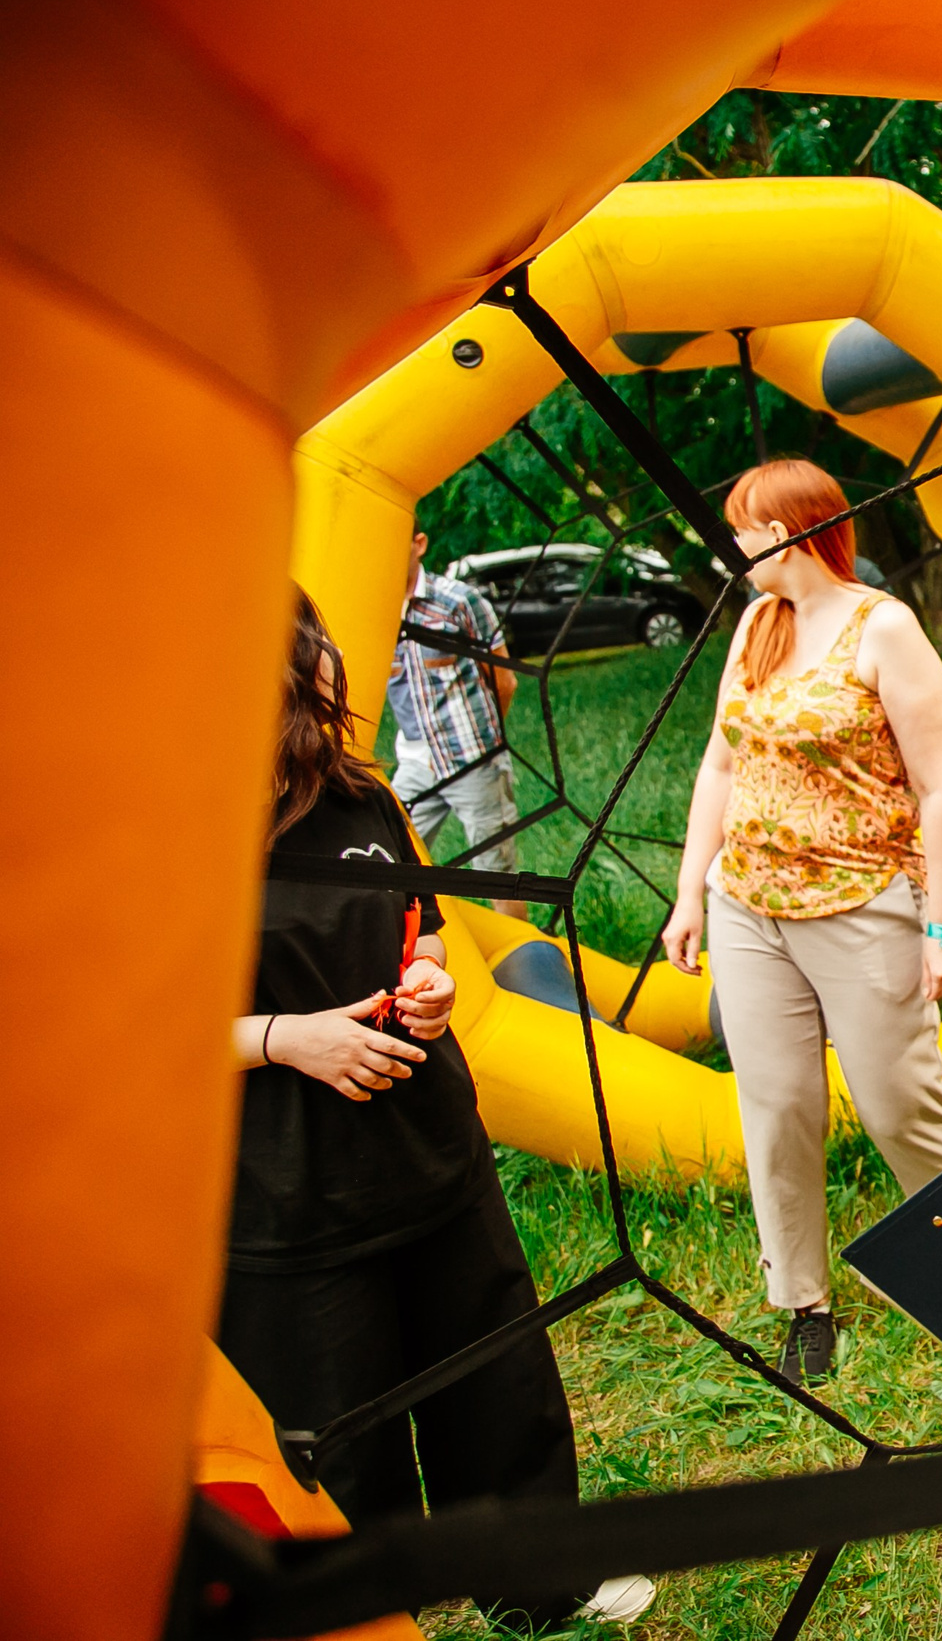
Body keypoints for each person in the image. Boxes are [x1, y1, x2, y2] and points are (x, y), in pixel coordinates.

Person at [222, 588, 650, 1630]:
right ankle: (371, 1619)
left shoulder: (362, 797)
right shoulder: (165, 829)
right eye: (319, 647)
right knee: (337, 1424)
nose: (339, 665)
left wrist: (432, 978)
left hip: (429, 1154)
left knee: (495, 1378)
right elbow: (126, 1032)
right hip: (287, 1195)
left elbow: (424, 926)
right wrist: (286, 1038)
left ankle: (536, 1582)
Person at [662, 458, 942, 1384]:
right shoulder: (758, 622)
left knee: (898, 1103)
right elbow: (721, 765)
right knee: (777, 1106)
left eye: (742, 528)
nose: (733, 545)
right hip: (747, 906)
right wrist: (689, 891)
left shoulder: (886, 628)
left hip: (860, 902)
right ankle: (803, 1303)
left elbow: (940, 791)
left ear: (787, 530)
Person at [389, 529, 528, 920]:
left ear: (418, 544)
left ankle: (523, 954)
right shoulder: (374, 607)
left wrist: (485, 744)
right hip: (415, 764)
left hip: (471, 759)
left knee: (496, 877)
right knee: (389, 859)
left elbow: (504, 680)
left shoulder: (458, 601)